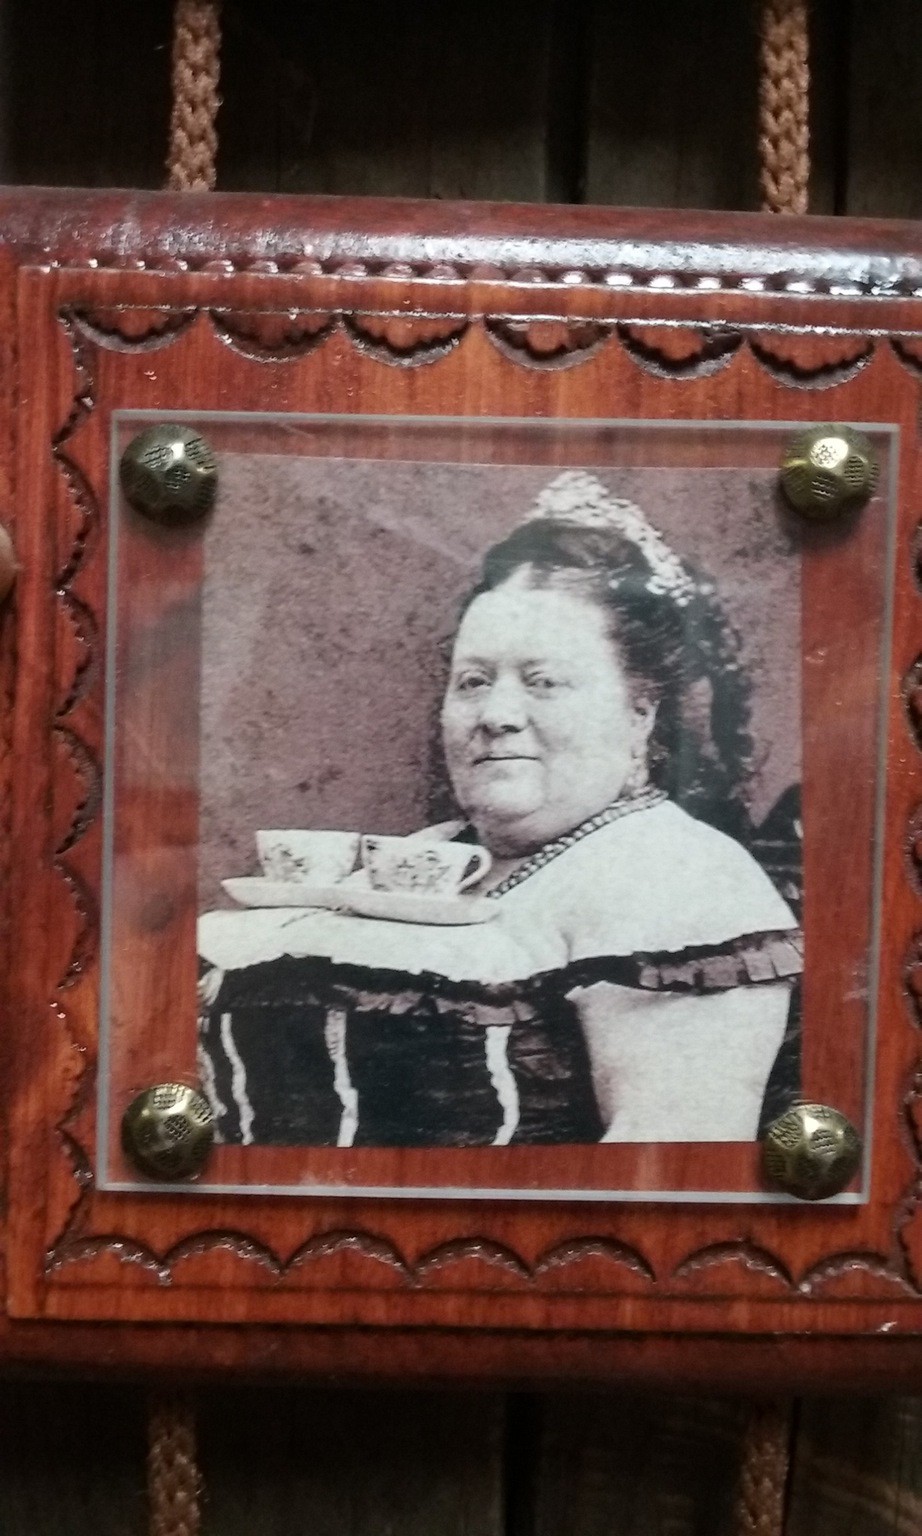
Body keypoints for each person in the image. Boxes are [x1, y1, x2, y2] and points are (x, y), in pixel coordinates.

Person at [199, 470, 801, 1150]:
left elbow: (662, 1173)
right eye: (474, 681)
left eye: (543, 682)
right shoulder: (432, 856)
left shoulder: (679, 878)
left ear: (640, 713)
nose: (496, 714)